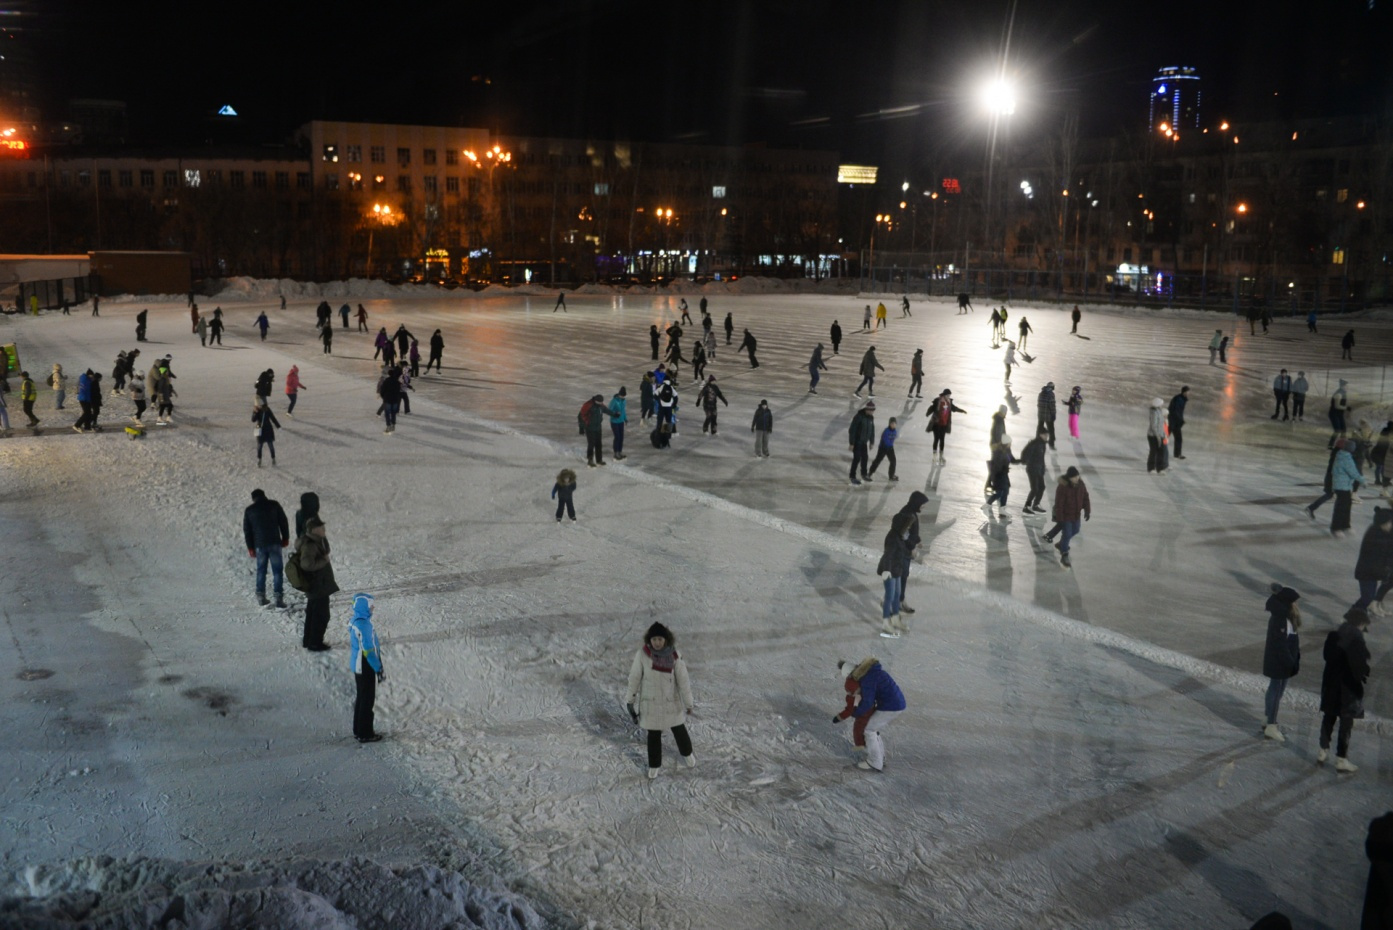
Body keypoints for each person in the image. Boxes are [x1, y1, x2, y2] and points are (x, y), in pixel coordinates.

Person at [625, 622, 695, 779]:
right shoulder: (642, 655)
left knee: (679, 730)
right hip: (651, 703)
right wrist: (630, 700)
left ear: (666, 640)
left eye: (660, 639)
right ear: (649, 640)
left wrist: (689, 703)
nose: (657, 642)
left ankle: (687, 753)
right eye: (654, 639)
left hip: (671, 702)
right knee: (653, 735)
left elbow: (683, 680)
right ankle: (654, 765)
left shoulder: (674, 655)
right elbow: (634, 678)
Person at [1318, 607, 1371, 774]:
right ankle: (1341, 759)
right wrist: (1365, 671)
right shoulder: (1356, 640)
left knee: (1329, 717)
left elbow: (1327, 656)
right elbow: (1359, 667)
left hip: (1331, 683)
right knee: (1346, 723)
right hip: (1348, 688)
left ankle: (1322, 751)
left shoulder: (1333, 636)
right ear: (1360, 623)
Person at [833, 657, 906, 770]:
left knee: (868, 730)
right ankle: (880, 757)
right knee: (873, 729)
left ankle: (875, 762)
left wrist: (857, 712)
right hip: (895, 703)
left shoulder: (868, 679)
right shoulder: (873, 671)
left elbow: (868, 701)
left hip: (891, 707)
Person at [1261, 584, 1302, 742]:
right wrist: (1290, 662)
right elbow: (1281, 645)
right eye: (1294, 602)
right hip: (1279, 662)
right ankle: (1271, 725)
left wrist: (1294, 658)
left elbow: (1291, 642)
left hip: (1282, 661)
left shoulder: (1285, 616)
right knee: (1276, 691)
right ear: (1288, 603)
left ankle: (1267, 718)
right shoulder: (1280, 618)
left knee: (1275, 689)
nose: (1296, 605)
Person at [296, 516, 338, 652]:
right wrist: (323, 561)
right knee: (321, 615)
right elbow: (307, 564)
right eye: (321, 528)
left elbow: (325, 551)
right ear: (314, 530)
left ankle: (308, 641)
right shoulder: (310, 545)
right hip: (317, 585)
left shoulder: (315, 541)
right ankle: (315, 643)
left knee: (313, 613)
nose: (324, 529)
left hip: (317, 584)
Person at [348, 593, 385, 743]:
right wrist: (378, 668)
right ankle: (365, 733)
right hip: (365, 665)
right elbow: (368, 650)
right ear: (365, 606)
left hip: (359, 665)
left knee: (361, 698)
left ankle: (358, 730)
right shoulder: (363, 625)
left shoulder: (357, 621)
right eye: (371, 605)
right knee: (367, 700)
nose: (373, 608)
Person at [243, 488, 289, 608]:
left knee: (261, 570)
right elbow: (283, 521)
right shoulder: (274, 505)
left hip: (259, 545)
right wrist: (285, 537)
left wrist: (250, 547)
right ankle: (278, 598)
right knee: (277, 571)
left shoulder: (250, 510)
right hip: (274, 542)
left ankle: (261, 597)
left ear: (253, 498)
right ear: (264, 495)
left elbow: (247, 530)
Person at [1043, 466, 1090, 568]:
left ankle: (1060, 543)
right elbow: (1059, 503)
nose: (1077, 478)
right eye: (1074, 477)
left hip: (1076, 514)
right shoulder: (1063, 487)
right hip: (1066, 515)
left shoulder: (1081, 485)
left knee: (1076, 530)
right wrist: (1060, 518)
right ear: (1069, 478)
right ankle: (1064, 554)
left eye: (1077, 476)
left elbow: (1085, 497)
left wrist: (1087, 510)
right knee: (1067, 534)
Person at [876, 513, 912, 635]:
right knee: (889, 597)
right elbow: (888, 555)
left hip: (897, 570)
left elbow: (902, 552)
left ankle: (895, 619)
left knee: (897, 595)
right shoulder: (892, 537)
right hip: (889, 571)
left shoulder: (900, 536)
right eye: (906, 526)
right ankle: (886, 622)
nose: (907, 529)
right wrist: (886, 570)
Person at [1353, 508, 1393, 612]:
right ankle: (1352, 618)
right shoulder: (1376, 536)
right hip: (1367, 572)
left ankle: (1355, 618)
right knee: (1367, 598)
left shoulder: (1382, 533)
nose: (1390, 525)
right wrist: (1385, 573)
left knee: (1367, 598)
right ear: (1381, 523)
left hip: (1372, 573)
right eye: (1388, 523)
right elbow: (1378, 558)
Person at [1330, 438, 1362, 538]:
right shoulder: (1345, 458)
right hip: (1341, 486)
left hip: (1345, 485)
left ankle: (1345, 525)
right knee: (1341, 507)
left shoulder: (1345, 456)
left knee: (1347, 505)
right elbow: (1353, 472)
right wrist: (1363, 480)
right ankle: (1336, 528)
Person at [927, 389, 965, 464]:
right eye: (947, 395)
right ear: (944, 395)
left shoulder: (949, 402)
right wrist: (928, 412)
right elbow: (932, 407)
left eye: (949, 395)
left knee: (942, 440)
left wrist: (962, 410)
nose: (948, 397)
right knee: (936, 440)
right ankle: (934, 456)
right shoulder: (938, 401)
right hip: (936, 424)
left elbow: (954, 408)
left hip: (944, 425)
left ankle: (941, 456)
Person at [1020, 429, 1049, 514]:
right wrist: (1026, 461)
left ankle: (1035, 505)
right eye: (1045, 435)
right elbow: (1025, 453)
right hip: (1032, 469)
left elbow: (1041, 458)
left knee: (1042, 487)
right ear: (1040, 435)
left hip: (1039, 469)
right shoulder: (1034, 443)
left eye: (1047, 435)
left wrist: (1043, 468)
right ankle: (1027, 506)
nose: (1047, 437)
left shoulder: (1042, 444)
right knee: (1034, 489)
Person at [848, 401, 876, 486]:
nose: (871, 412)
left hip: (864, 442)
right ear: (866, 409)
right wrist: (852, 443)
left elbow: (872, 430)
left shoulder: (871, 418)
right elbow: (852, 430)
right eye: (870, 410)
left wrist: (871, 441)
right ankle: (852, 476)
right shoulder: (859, 417)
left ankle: (864, 474)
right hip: (857, 441)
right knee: (857, 458)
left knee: (865, 458)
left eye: (873, 410)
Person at [984, 435, 1015, 509]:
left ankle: (1001, 508)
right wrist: (992, 479)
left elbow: (1012, 460)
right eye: (1010, 443)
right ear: (1006, 443)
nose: (1010, 444)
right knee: (1001, 492)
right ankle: (989, 504)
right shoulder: (999, 452)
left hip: (1003, 474)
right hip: (999, 476)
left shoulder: (1007, 451)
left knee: (1005, 491)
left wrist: (1024, 460)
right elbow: (996, 466)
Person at [868, 417, 899, 481]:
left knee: (893, 461)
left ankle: (891, 475)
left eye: (894, 423)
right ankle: (870, 473)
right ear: (889, 424)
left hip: (890, 448)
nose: (893, 425)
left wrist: (890, 446)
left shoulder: (895, 431)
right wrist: (889, 445)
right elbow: (885, 440)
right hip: (883, 448)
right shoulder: (886, 431)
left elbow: (892, 440)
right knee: (878, 461)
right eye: (892, 423)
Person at [580, 393, 607, 466]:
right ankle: (590, 459)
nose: (601, 404)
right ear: (596, 401)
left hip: (598, 428)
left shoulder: (601, 406)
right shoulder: (588, 405)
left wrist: (615, 414)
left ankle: (599, 460)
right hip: (590, 428)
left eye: (601, 402)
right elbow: (581, 416)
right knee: (591, 444)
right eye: (599, 402)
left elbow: (606, 410)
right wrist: (581, 428)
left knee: (598, 444)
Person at [253, 399, 281, 467]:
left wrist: (278, 426)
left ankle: (273, 459)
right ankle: (259, 460)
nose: (258, 406)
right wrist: (255, 412)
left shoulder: (267, 410)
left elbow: (272, 418)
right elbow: (253, 420)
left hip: (267, 429)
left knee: (270, 445)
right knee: (259, 446)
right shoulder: (256, 410)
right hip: (260, 430)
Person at [1146, 398, 1169, 474]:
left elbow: (1160, 425)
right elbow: (1154, 425)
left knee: (1161, 451)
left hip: (1160, 434)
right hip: (1153, 436)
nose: (1162, 405)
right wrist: (1157, 435)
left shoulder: (1159, 411)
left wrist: (1163, 434)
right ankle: (1151, 468)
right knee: (1153, 451)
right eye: (1161, 404)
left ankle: (1160, 468)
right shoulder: (1154, 413)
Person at [379, 366, 402, 434]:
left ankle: (388, 425)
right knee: (393, 413)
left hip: (387, 399)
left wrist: (383, 397)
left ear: (389, 374)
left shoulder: (386, 381)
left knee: (387, 413)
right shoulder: (397, 382)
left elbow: (382, 390)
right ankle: (393, 425)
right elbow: (398, 391)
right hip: (395, 399)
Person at [1329, 379, 1351, 448]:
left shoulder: (1343, 393)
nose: (1347, 387)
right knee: (1337, 430)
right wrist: (1346, 408)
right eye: (1346, 386)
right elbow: (1337, 406)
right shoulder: (1338, 394)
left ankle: (1342, 445)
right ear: (1342, 386)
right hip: (1334, 414)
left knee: (1343, 430)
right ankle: (1330, 444)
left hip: (1339, 414)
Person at [1168, 387, 1189, 459]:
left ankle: (1177, 454)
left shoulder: (1181, 399)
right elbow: (1175, 410)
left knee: (1178, 438)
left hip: (1175, 421)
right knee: (1167, 437)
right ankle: (1158, 451)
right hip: (1172, 421)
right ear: (1184, 392)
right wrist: (1180, 420)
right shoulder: (1179, 399)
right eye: (1187, 392)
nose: (1188, 394)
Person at [607, 387, 627, 460]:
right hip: (614, 422)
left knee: (621, 437)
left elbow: (623, 411)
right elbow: (609, 410)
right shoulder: (614, 401)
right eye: (622, 395)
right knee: (617, 437)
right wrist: (615, 414)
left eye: (624, 396)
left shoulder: (624, 401)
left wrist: (625, 419)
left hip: (621, 421)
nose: (623, 397)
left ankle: (620, 451)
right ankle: (616, 453)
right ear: (619, 394)